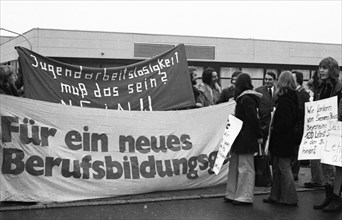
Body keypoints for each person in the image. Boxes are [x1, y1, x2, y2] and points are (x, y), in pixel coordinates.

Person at [224, 73, 263, 205]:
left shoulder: (242, 99)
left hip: (238, 136)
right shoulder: (248, 99)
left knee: (236, 166)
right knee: (245, 167)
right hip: (247, 137)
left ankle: (232, 193)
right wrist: (260, 134)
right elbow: (254, 119)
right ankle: (243, 195)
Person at [263, 71, 299, 206]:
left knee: (283, 168)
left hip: (282, 140)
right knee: (278, 168)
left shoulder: (285, 100)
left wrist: (274, 128)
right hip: (286, 139)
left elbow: (285, 122)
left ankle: (289, 197)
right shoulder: (292, 98)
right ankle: (276, 195)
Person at [312, 57, 342, 212]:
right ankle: (329, 196)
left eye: (325, 67)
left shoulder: (339, 87)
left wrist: (335, 122)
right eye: (320, 67)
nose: (321, 70)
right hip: (324, 130)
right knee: (326, 164)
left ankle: (337, 198)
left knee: (338, 166)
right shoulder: (321, 87)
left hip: (336, 131)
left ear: (332, 70)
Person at [304, 70, 324, 188]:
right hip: (315, 126)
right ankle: (317, 179)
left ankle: (319, 180)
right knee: (315, 157)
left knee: (318, 157)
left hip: (319, 127)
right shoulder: (315, 95)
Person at [291, 71, 310, 181]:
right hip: (295, 126)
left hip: (298, 127)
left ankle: (294, 172)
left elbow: (304, 111)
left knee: (295, 151)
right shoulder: (296, 93)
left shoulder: (302, 94)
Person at [255, 72, 276, 149]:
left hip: (274, 125)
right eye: (266, 79)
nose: (267, 81)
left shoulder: (279, 91)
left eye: (270, 79)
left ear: (274, 80)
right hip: (263, 125)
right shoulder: (258, 91)